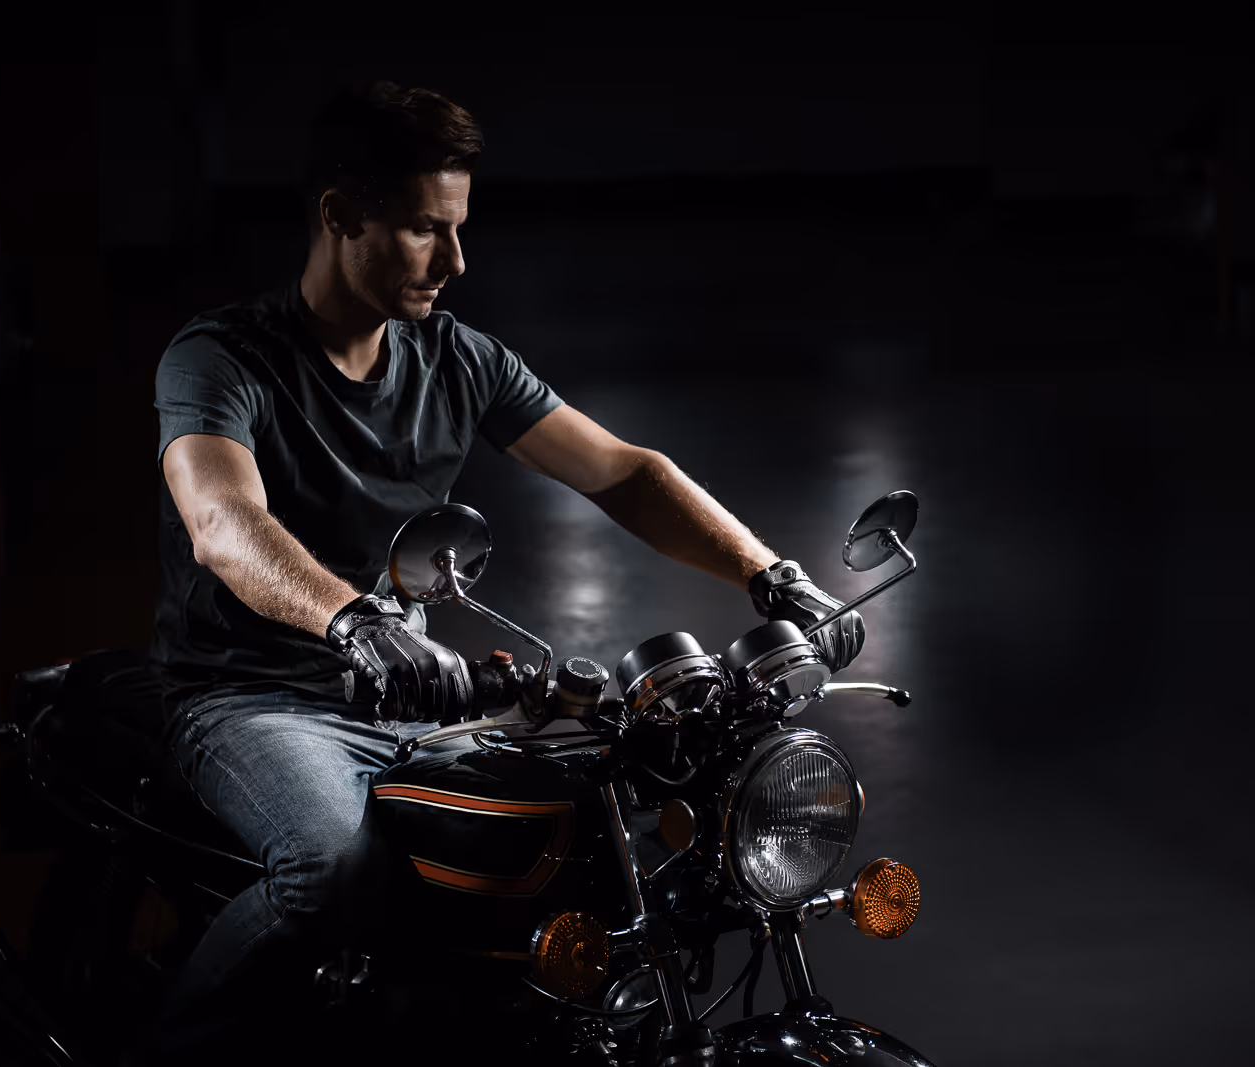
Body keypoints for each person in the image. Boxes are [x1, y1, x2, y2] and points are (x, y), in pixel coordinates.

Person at [149, 81, 863, 1061]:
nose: (454, 260)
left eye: (457, 229)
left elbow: (624, 473)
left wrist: (771, 574)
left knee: (586, 844)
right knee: (329, 869)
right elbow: (224, 521)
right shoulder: (220, 359)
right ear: (338, 216)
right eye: (421, 230)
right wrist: (354, 619)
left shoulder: (459, 360)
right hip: (256, 699)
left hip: (419, 701)